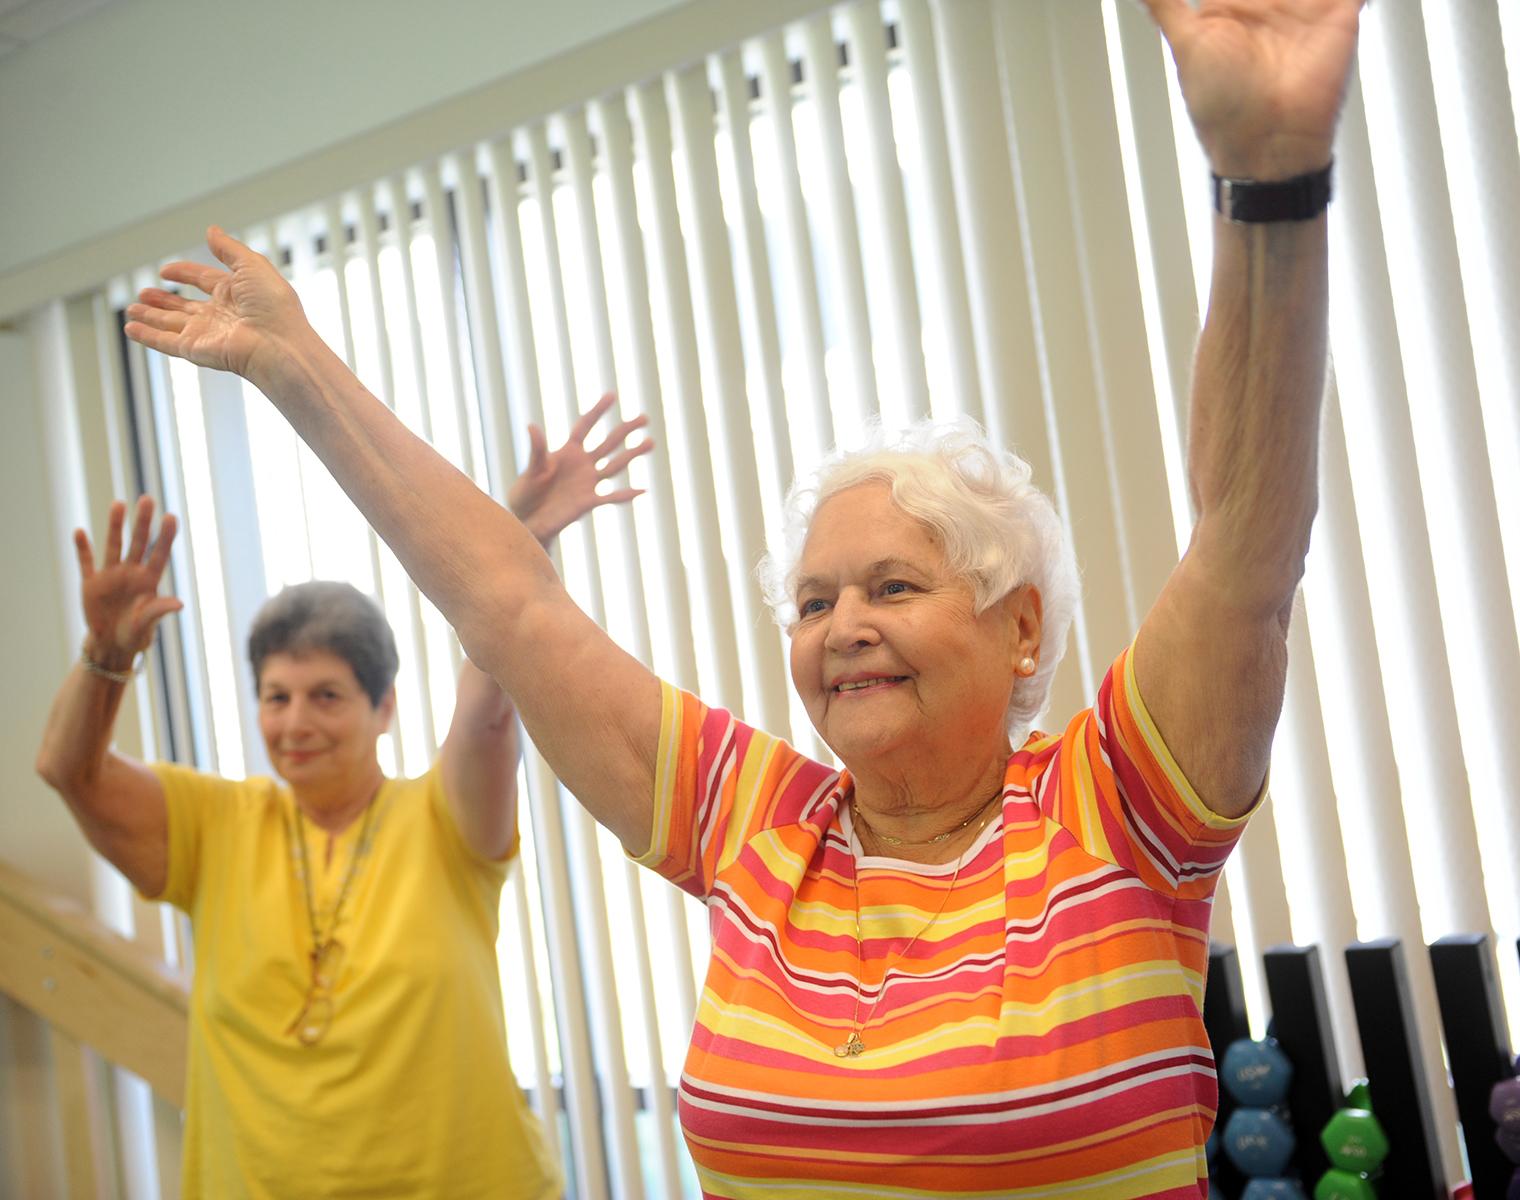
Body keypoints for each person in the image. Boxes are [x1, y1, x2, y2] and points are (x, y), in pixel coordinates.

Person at [120, 0, 1361, 1192]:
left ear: (1018, 621)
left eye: (892, 585)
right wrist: (298, 369)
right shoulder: (759, 828)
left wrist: (1267, 181)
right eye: (811, 604)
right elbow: (512, 607)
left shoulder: (1115, 810)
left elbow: (1244, 543)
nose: (843, 629)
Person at [34, 396, 651, 1200]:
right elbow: (68, 769)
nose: (294, 722)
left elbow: (489, 716)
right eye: (275, 696)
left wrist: (520, 544)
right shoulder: (215, 823)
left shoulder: (444, 822)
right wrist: (105, 654)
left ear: (383, 707)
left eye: (325, 696)